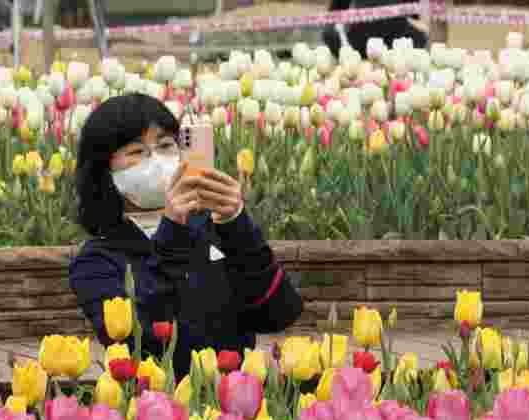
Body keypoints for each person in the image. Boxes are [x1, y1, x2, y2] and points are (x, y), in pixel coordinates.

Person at [69, 93, 303, 383]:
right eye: (137, 152)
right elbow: (143, 341)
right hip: (158, 408)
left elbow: (280, 313)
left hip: (237, 402)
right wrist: (172, 232)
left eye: (166, 146)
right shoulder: (97, 261)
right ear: (103, 170)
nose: (156, 160)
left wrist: (237, 223)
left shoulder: (213, 230)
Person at [323, 0, 427, 58]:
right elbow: (334, 14)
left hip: (395, 41)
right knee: (330, 33)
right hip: (359, 42)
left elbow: (418, 22)